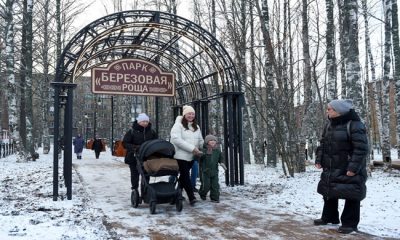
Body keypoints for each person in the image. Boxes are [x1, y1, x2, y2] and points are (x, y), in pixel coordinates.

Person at [314, 99, 368, 234]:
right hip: (331, 166)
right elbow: (322, 144)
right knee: (329, 191)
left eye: (329, 109)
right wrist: (319, 159)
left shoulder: (355, 125)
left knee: (351, 194)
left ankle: (350, 224)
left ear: (339, 111)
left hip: (348, 167)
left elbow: (361, 149)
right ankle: (329, 217)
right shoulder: (329, 125)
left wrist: (353, 168)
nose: (327, 111)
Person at [170, 105, 204, 206]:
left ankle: (175, 195)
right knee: (185, 176)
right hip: (179, 155)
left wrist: (206, 145)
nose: (191, 115)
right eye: (189, 113)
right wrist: (192, 148)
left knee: (183, 178)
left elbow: (200, 140)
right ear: (184, 115)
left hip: (191, 156)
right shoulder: (178, 125)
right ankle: (191, 197)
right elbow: (176, 140)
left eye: (193, 114)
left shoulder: (196, 126)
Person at [122, 113, 157, 191]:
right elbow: (125, 143)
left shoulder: (152, 132)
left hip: (147, 157)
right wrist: (135, 147)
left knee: (146, 174)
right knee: (135, 174)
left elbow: (155, 142)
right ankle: (135, 189)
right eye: (143, 121)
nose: (145, 123)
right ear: (138, 122)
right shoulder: (132, 132)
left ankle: (145, 190)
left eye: (146, 121)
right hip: (134, 157)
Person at [198, 134, 223, 203]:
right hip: (205, 171)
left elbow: (221, 158)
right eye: (210, 140)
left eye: (214, 140)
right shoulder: (204, 150)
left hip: (214, 171)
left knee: (215, 185)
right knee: (206, 185)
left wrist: (222, 162)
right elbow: (200, 159)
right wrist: (202, 154)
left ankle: (215, 198)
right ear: (207, 142)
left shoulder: (217, 151)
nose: (213, 141)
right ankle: (202, 193)